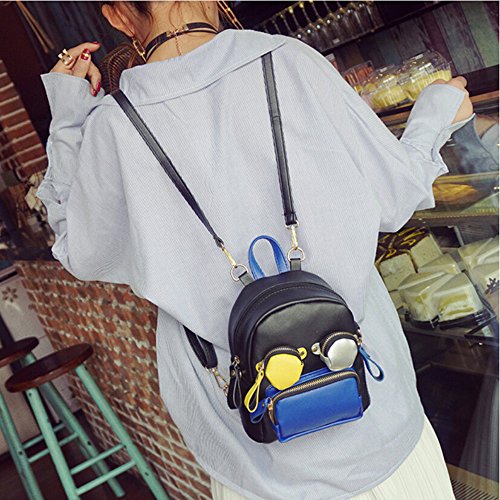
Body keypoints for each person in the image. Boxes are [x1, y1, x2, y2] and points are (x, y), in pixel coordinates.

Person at [36, 1, 473, 498]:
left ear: (116, 16)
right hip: (370, 407)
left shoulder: (110, 128)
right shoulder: (289, 62)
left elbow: (81, 251)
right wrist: (436, 114)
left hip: (250, 445)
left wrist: (68, 116)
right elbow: (394, 195)